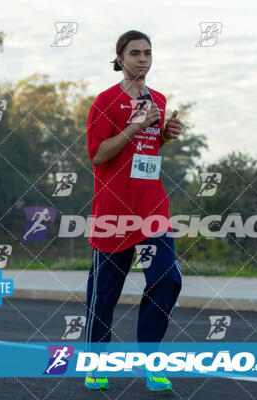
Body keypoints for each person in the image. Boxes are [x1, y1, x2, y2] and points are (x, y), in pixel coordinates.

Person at [84, 30, 183, 391]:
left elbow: (150, 149)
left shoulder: (157, 99)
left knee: (167, 279)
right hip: (114, 211)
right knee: (105, 294)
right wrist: (136, 125)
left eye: (148, 53)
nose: (143, 59)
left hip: (152, 208)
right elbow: (99, 154)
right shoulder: (105, 102)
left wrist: (166, 132)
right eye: (135, 53)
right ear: (120, 59)